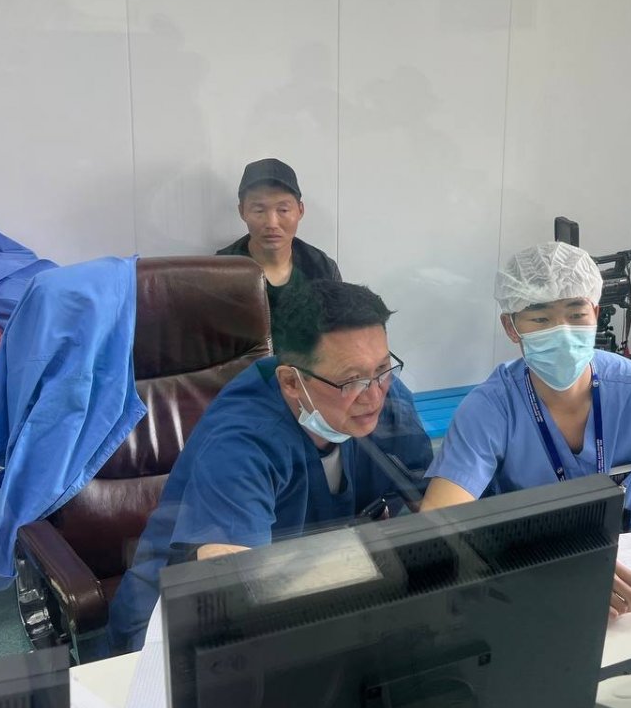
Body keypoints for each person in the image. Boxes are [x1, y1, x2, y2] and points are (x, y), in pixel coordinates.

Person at [106, 280, 431, 654]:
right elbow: (231, 592)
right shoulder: (243, 442)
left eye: (383, 368)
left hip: (319, 595)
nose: (373, 395)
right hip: (178, 627)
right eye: (350, 381)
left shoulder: (385, 397)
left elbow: (433, 507)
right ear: (291, 382)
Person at [420, 242, 631, 621]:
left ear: (596, 313)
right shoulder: (490, 408)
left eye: (576, 314)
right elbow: (439, 520)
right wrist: (564, 566)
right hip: (536, 566)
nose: (563, 333)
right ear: (511, 327)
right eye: (540, 319)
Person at [216, 158, 342, 336]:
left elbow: (338, 336)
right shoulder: (220, 270)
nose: (272, 223)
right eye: (259, 210)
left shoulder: (323, 268)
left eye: (283, 210)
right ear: (242, 211)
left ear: (300, 210)